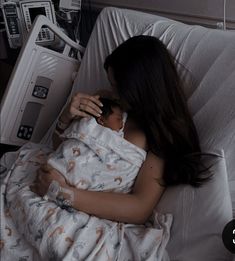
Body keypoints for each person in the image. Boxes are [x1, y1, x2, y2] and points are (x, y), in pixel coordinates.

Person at [31, 35, 209, 225]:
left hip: (73, 207)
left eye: (118, 87)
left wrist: (60, 192)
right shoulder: (108, 104)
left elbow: (139, 208)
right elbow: (62, 149)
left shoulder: (159, 138)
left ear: (140, 89)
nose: (112, 93)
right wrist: (65, 118)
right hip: (45, 180)